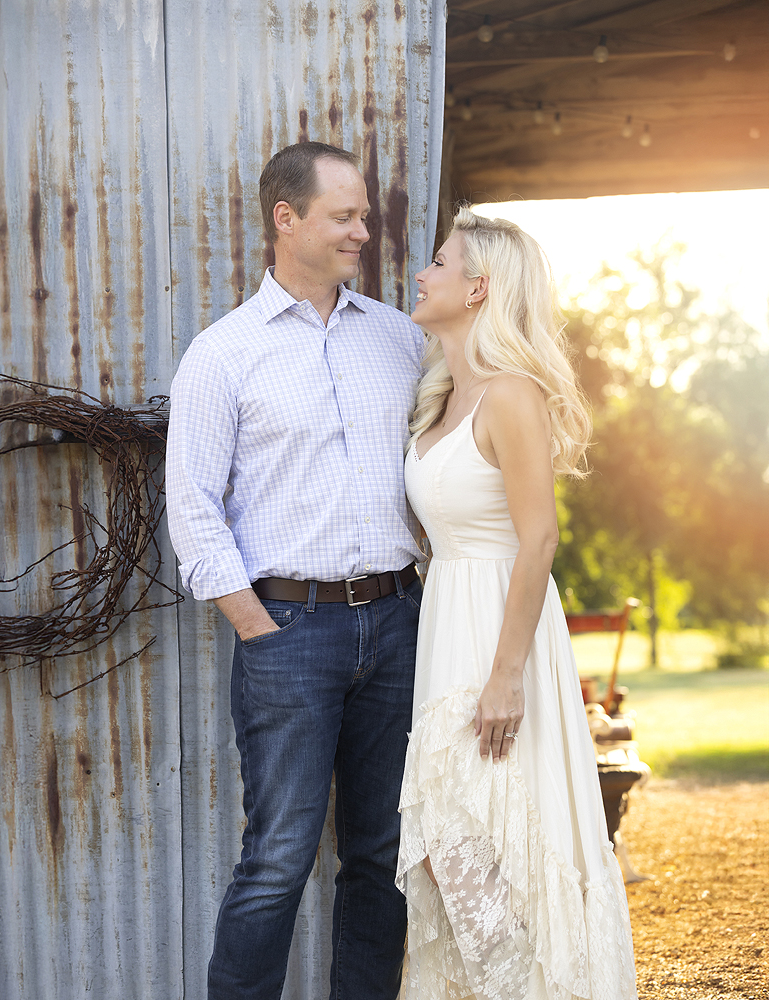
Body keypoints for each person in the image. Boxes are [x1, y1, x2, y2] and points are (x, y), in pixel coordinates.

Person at [166, 142, 425, 1000]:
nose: (364, 230)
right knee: (277, 857)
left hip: (397, 622)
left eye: (364, 215)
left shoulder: (397, 340)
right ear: (288, 219)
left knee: (381, 856)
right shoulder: (223, 353)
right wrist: (255, 625)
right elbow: (194, 506)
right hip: (289, 634)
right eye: (345, 215)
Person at [395, 208, 638, 999]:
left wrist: (505, 676)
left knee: (489, 852)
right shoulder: (439, 400)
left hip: (501, 636)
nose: (422, 273)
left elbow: (538, 539)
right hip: (447, 626)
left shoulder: (511, 396)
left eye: (439, 261)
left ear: (478, 289)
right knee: (451, 851)